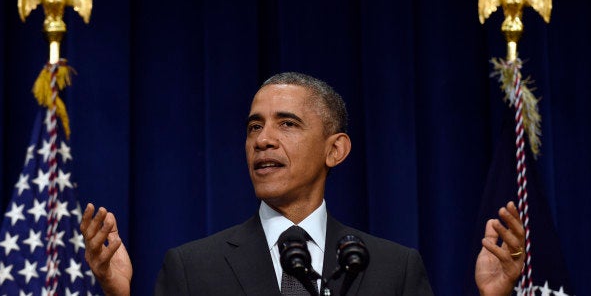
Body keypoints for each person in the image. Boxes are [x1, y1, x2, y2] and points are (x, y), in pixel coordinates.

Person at [81, 72, 526, 295]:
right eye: (254, 127)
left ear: (336, 150)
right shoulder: (193, 270)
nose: (263, 140)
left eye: (287, 124)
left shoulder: (393, 270)